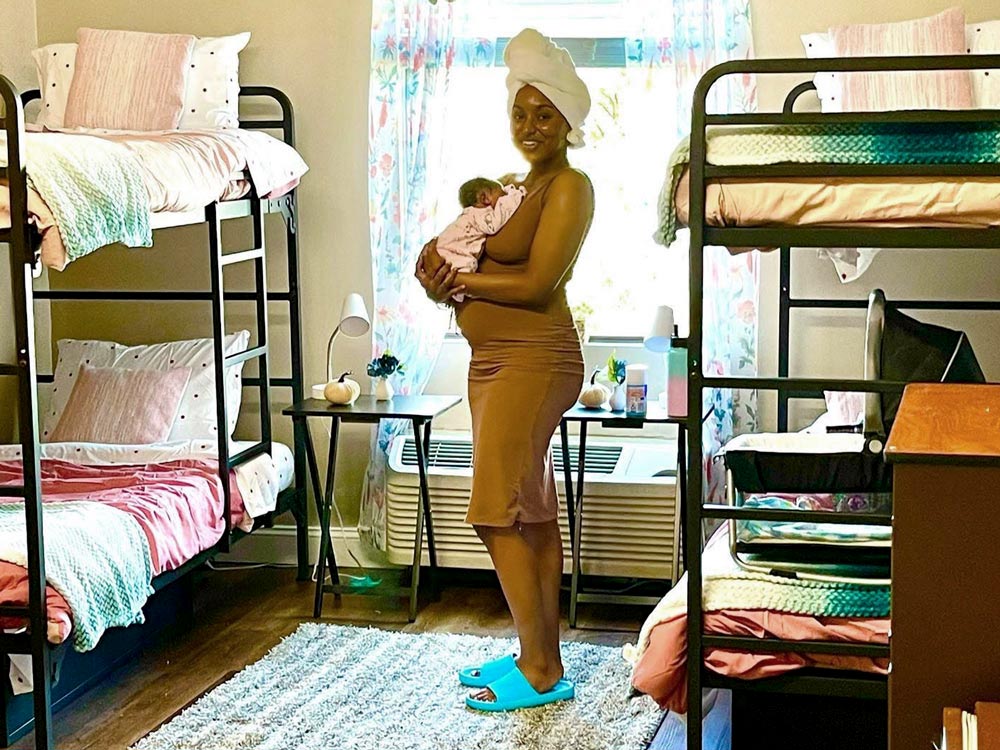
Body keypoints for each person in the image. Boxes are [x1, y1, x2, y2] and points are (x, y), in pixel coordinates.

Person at [415, 27, 594, 713]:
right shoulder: (517, 188)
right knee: (533, 512)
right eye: (520, 113)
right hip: (493, 362)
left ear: (567, 121)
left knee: (494, 513)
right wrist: (440, 275)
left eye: (545, 114)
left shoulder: (569, 187)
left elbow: (539, 283)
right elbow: (478, 258)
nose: (530, 126)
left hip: (535, 360)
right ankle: (537, 655)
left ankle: (541, 669)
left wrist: (461, 284)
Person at [428, 177, 527, 301]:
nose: (503, 200)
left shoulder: (471, 214)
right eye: (502, 197)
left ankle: (461, 293)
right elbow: (494, 223)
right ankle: (462, 294)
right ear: (484, 199)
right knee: (461, 270)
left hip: (445, 250)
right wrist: (514, 196)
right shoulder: (479, 214)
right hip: (450, 251)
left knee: (455, 275)